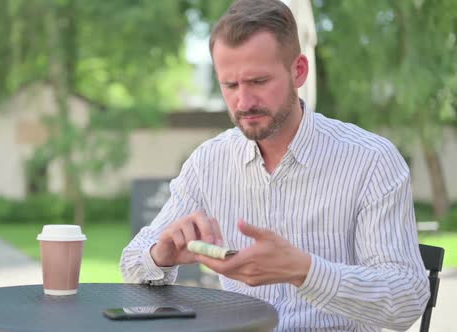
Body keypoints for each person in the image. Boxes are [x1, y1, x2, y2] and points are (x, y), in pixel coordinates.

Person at [120, 0, 430, 330]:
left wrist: (305, 270)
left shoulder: (371, 161)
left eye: (258, 81)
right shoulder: (208, 163)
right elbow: (132, 261)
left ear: (298, 70)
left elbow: (406, 300)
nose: (244, 101)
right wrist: (160, 254)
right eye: (230, 85)